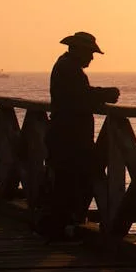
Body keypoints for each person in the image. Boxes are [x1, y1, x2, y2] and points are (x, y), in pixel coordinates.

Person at [38, 31, 120, 242]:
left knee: (64, 182)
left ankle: (58, 226)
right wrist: (106, 94)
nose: (92, 58)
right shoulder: (69, 69)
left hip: (64, 135)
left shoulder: (65, 66)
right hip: (69, 137)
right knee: (67, 182)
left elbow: (77, 95)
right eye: (90, 53)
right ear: (79, 50)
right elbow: (79, 96)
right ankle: (57, 228)